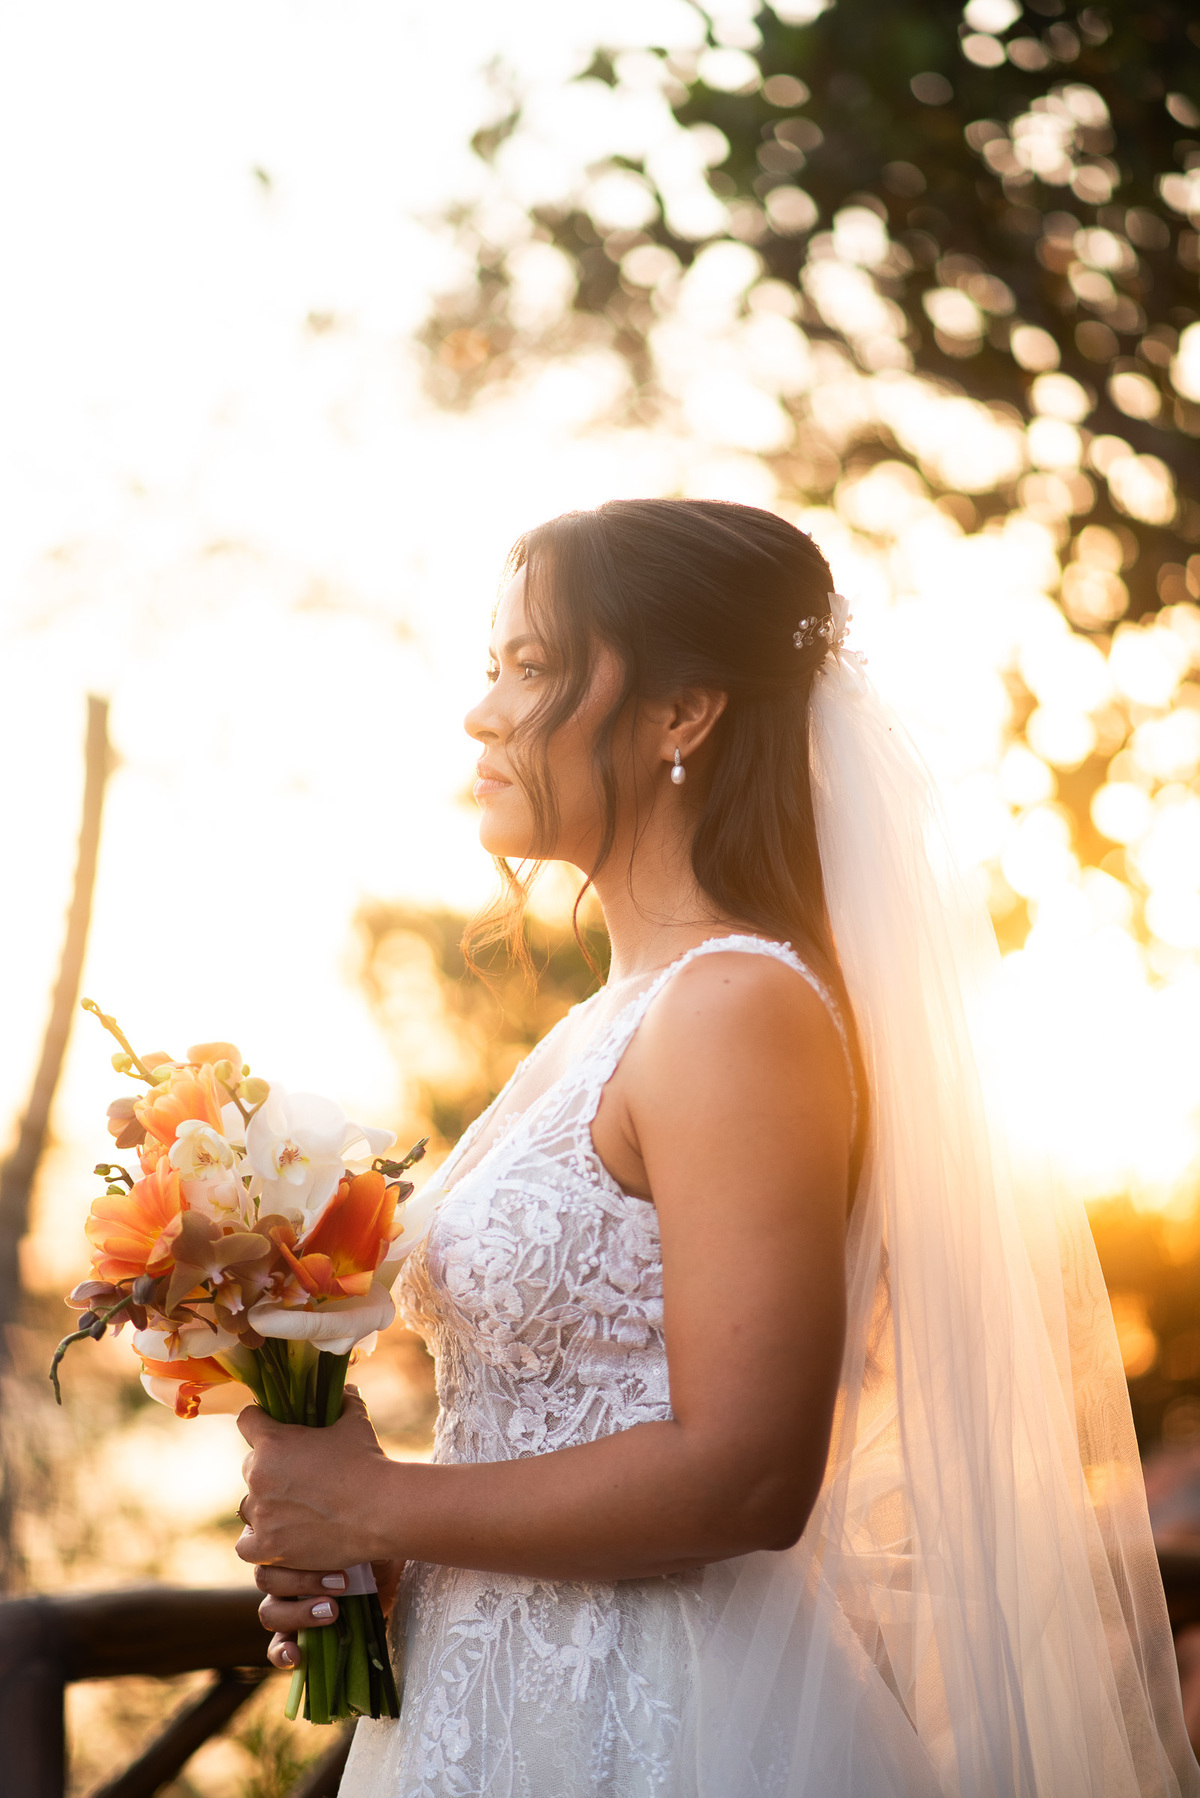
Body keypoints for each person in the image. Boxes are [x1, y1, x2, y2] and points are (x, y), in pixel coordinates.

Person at [238, 499, 1199, 1797]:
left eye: (531, 666)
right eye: (491, 667)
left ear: (684, 712)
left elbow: (747, 1474)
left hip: (657, 1725)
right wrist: (381, 1549)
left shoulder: (737, 1007)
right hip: (487, 1706)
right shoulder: (602, 1021)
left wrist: (375, 1504)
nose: (482, 713)